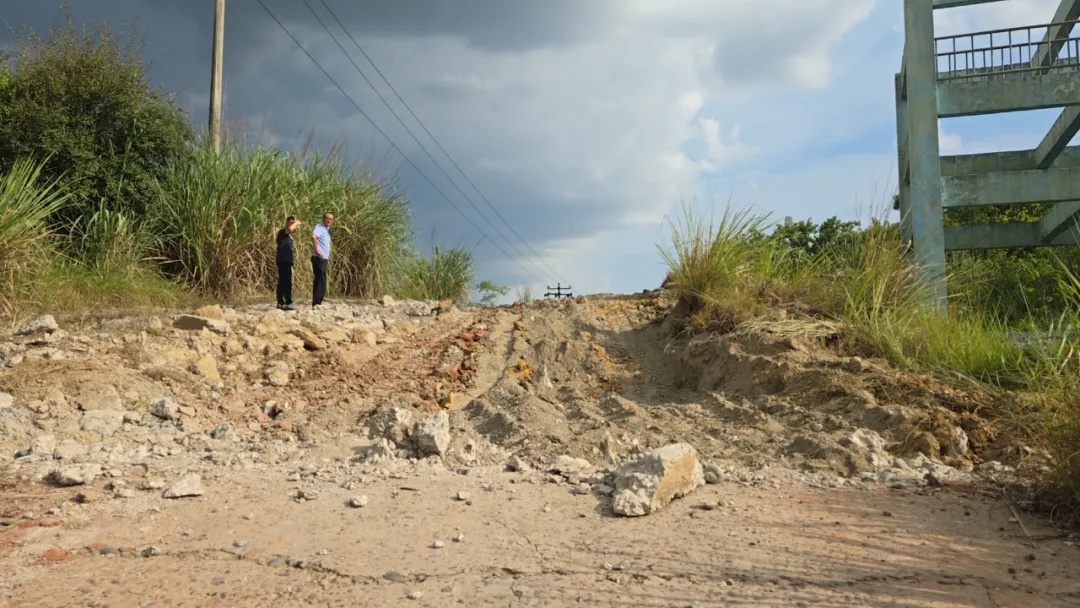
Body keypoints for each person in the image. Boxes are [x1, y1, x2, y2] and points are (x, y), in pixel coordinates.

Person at [276, 215, 301, 310]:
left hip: (287, 261)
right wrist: (296, 222)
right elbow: (289, 229)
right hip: (282, 260)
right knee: (284, 281)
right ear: (287, 222)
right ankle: (285, 302)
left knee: (286, 281)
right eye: (291, 222)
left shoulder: (289, 236)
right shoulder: (282, 232)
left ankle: (283, 302)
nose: (293, 224)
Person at [311, 211, 334, 307]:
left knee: (321, 279)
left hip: (323, 258)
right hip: (319, 257)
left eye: (331, 219)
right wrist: (317, 249)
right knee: (320, 279)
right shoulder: (319, 227)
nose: (329, 220)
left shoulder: (326, 229)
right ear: (323, 218)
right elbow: (313, 236)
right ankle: (317, 302)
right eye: (327, 218)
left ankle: (318, 301)